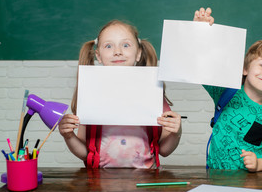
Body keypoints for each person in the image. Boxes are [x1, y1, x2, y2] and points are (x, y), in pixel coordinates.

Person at [59, 20, 182, 169]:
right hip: (100, 185)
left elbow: (164, 150)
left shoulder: (153, 94)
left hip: (146, 182)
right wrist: (68, 136)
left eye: (125, 45)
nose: (118, 51)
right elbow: (84, 152)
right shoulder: (91, 95)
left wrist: (177, 132)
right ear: (98, 55)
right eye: (109, 46)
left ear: (138, 53)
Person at [194, 7, 262, 172]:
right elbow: (204, 68)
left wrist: (259, 163)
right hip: (215, 178)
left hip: (251, 183)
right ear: (245, 69)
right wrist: (201, 31)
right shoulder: (225, 92)